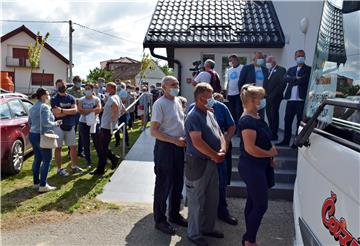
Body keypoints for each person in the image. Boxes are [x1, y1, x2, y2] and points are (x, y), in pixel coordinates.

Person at [188, 92, 237, 226]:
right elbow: (192, 135)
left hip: (220, 155)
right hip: (201, 157)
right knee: (200, 188)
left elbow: (231, 126)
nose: (209, 100)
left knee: (220, 184)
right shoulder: (193, 110)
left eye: (211, 96)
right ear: (199, 97)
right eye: (206, 96)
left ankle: (222, 212)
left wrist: (226, 141)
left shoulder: (221, 107)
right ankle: (199, 222)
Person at [237, 84, 278, 246]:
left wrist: (269, 157)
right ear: (253, 101)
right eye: (260, 98)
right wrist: (270, 153)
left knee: (253, 202)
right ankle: (250, 240)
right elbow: (250, 148)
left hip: (260, 165)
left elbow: (263, 140)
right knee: (261, 205)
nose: (263, 101)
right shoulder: (247, 120)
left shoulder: (256, 117)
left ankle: (248, 237)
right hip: (251, 166)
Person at [185, 83, 225, 246]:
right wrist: (216, 155)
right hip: (197, 164)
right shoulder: (193, 116)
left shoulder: (209, 113)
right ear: (201, 98)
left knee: (212, 198)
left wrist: (223, 148)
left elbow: (219, 132)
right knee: (196, 201)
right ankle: (194, 234)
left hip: (211, 162)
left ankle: (208, 228)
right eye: (210, 97)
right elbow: (197, 142)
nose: (213, 100)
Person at [150, 76, 187, 235]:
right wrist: (174, 140)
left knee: (178, 182)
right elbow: (154, 131)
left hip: (179, 148)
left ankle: (174, 214)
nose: (176, 87)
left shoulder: (178, 101)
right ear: (164, 87)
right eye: (173, 85)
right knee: (163, 184)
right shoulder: (160, 104)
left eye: (177, 84)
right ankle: (160, 220)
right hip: (165, 148)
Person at [29, 88, 61, 192]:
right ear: (43, 96)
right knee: (47, 160)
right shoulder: (45, 107)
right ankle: (43, 185)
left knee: (37, 158)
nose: (49, 96)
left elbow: (29, 122)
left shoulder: (32, 107)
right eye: (48, 94)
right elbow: (46, 122)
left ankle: (36, 183)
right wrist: (56, 123)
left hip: (33, 134)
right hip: (42, 135)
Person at [278, 50, 311, 148]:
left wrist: (292, 79)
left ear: (305, 57)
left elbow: (304, 80)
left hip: (301, 100)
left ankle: (296, 142)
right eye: (298, 56)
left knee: (299, 122)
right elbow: (285, 78)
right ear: (295, 58)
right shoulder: (291, 69)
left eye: (302, 56)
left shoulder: (309, 69)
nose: (300, 57)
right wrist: (296, 79)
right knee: (287, 120)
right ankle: (285, 140)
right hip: (290, 100)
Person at [51, 79, 84, 176]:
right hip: (59, 126)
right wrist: (68, 112)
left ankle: (74, 166)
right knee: (58, 148)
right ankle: (59, 169)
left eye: (62, 85)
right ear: (56, 87)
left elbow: (75, 111)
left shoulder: (71, 98)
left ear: (65, 85)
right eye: (59, 85)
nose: (61, 87)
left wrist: (61, 110)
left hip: (70, 126)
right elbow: (56, 114)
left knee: (73, 147)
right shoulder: (54, 99)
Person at [91, 82, 122, 175]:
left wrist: (113, 119)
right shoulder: (116, 97)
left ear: (112, 89)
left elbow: (115, 108)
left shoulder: (112, 98)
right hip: (107, 126)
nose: (106, 90)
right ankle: (113, 158)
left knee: (102, 148)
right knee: (103, 146)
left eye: (107, 89)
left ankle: (100, 169)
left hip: (107, 127)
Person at [238, 52, 269, 119]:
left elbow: (267, 84)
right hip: (250, 97)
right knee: (250, 117)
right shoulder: (247, 68)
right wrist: (243, 95)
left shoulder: (265, 70)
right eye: (259, 58)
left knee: (260, 118)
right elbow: (241, 82)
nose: (261, 59)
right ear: (254, 59)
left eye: (262, 58)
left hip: (261, 98)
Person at [78, 83, 102, 167]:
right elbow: (80, 111)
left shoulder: (96, 99)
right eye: (86, 88)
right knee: (85, 142)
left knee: (97, 141)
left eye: (89, 89)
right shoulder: (81, 100)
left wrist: (86, 110)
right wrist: (92, 110)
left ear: (92, 90)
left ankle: (101, 159)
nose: (87, 90)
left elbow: (99, 109)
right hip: (83, 123)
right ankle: (88, 161)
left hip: (94, 122)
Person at [263, 56, 287, 140]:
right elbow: (265, 83)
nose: (267, 63)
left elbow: (282, 84)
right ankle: (271, 132)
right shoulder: (267, 71)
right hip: (267, 97)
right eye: (266, 62)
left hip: (276, 97)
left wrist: (273, 95)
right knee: (269, 114)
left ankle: (274, 134)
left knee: (274, 114)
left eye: (269, 61)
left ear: (274, 61)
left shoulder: (281, 70)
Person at [67, 75, 85, 158]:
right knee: (71, 133)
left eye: (80, 81)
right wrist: (78, 100)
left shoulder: (83, 90)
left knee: (82, 133)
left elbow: (86, 100)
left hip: (82, 114)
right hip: (73, 115)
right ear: (74, 82)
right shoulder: (69, 90)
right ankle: (70, 151)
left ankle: (80, 151)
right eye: (78, 81)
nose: (79, 83)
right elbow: (68, 101)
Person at [227, 54, 243, 125]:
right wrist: (226, 94)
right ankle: (234, 128)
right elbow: (228, 81)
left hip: (238, 93)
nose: (230, 62)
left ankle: (240, 127)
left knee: (239, 111)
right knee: (231, 111)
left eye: (231, 60)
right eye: (229, 60)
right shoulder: (229, 70)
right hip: (230, 94)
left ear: (236, 60)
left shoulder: (242, 67)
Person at [115, 82, 129, 147]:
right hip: (115, 112)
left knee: (123, 127)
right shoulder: (115, 91)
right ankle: (117, 141)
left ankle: (126, 141)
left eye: (118, 84)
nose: (117, 85)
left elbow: (124, 101)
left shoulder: (123, 92)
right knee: (115, 127)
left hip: (122, 112)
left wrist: (115, 102)